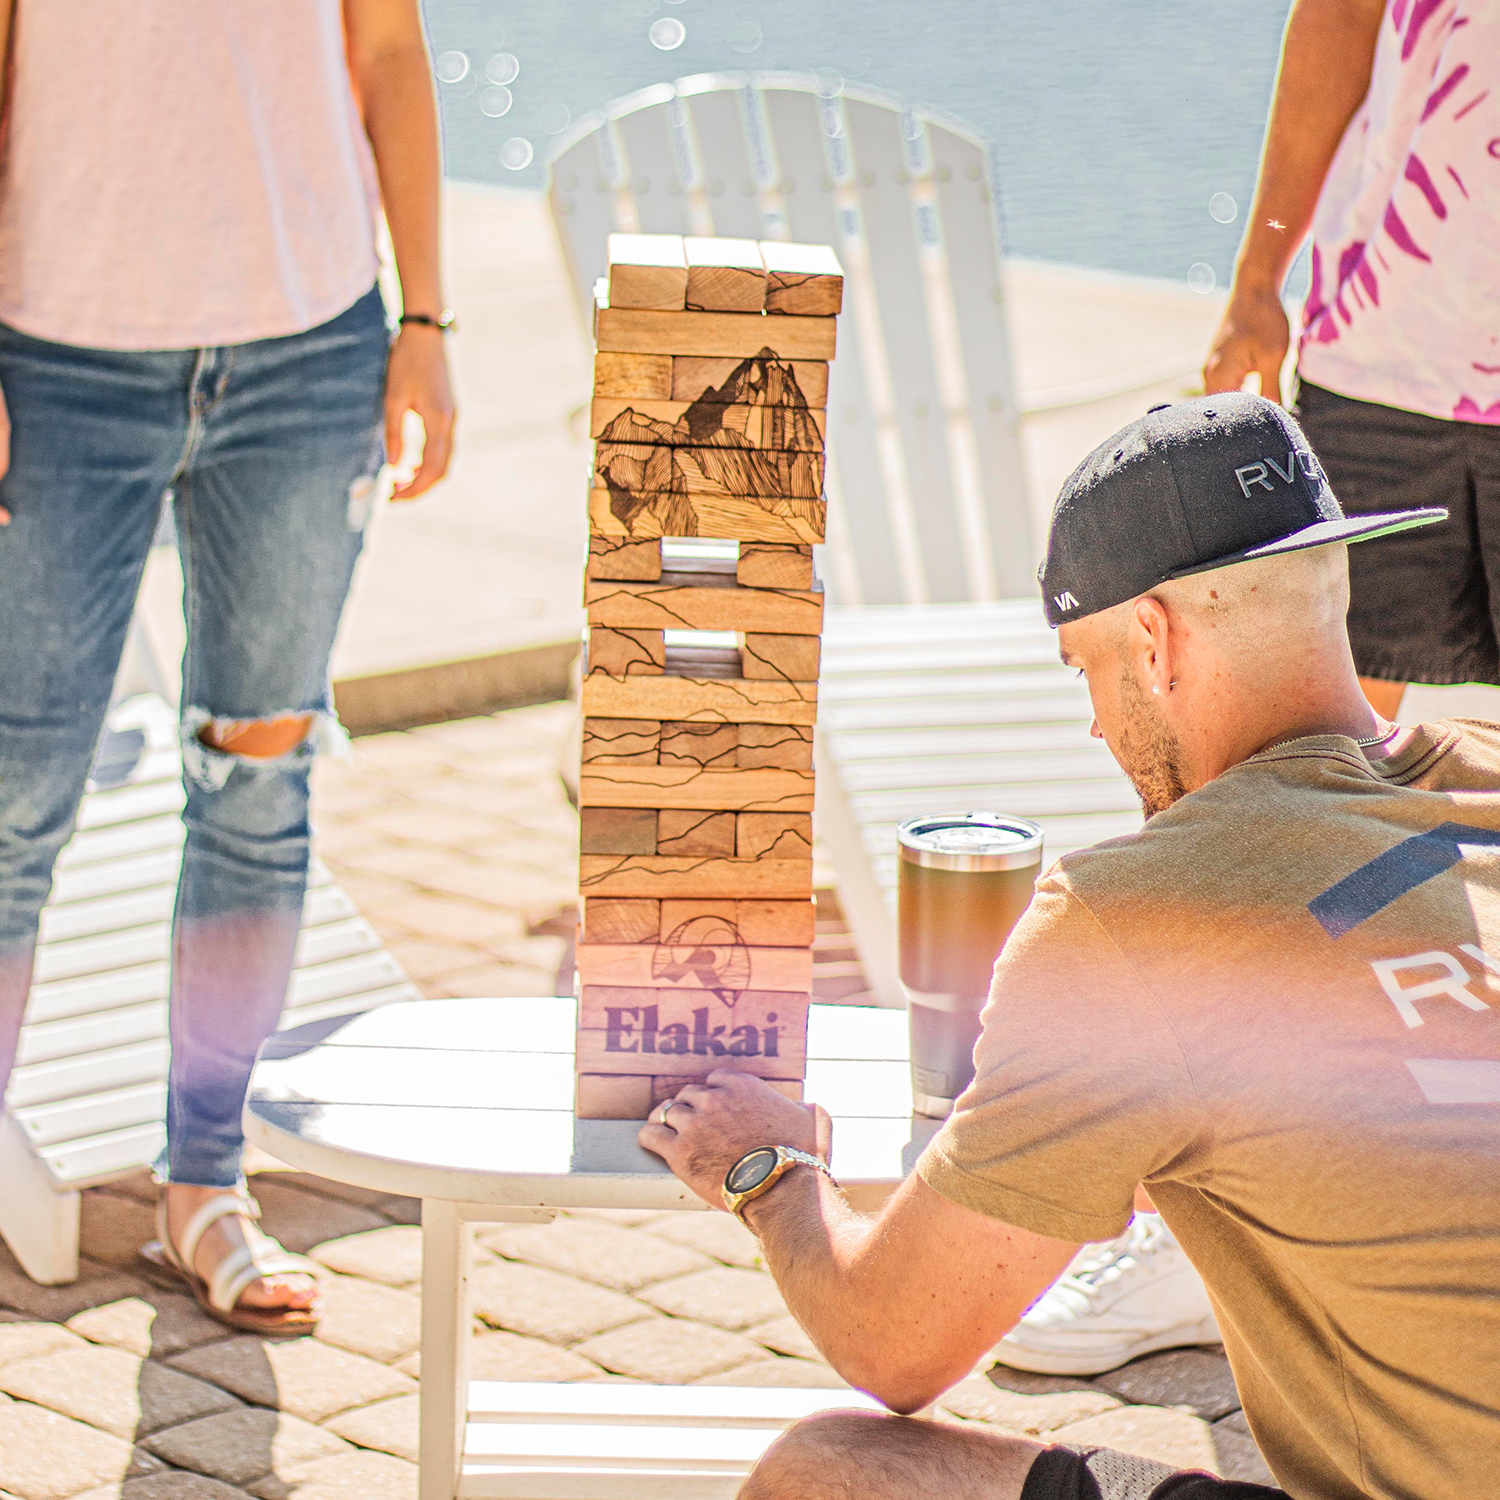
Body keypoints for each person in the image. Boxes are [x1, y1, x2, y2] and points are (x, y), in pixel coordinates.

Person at [641, 393, 1500, 1500]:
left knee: (832, 1470)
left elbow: (890, 1342)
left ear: (1152, 639)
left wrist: (769, 1173)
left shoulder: (1137, 914)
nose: (1094, 723)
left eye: (1080, 667)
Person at [1006, 0, 1500, 1379]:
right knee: (1275, 774)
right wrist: (1261, 273)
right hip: (1391, 333)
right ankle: (1211, 1212)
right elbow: (1342, 16)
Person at [0, 0, 455, 1331]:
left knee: (259, 782)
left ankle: (204, 1180)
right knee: (15, 805)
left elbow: (386, 52)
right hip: (55, 358)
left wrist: (426, 319)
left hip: (307, 353)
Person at [1205, 0, 1499, 719]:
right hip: (1378, 344)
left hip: (1380, 352)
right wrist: (1258, 279)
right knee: (1323, 742)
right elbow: (1341, 14)